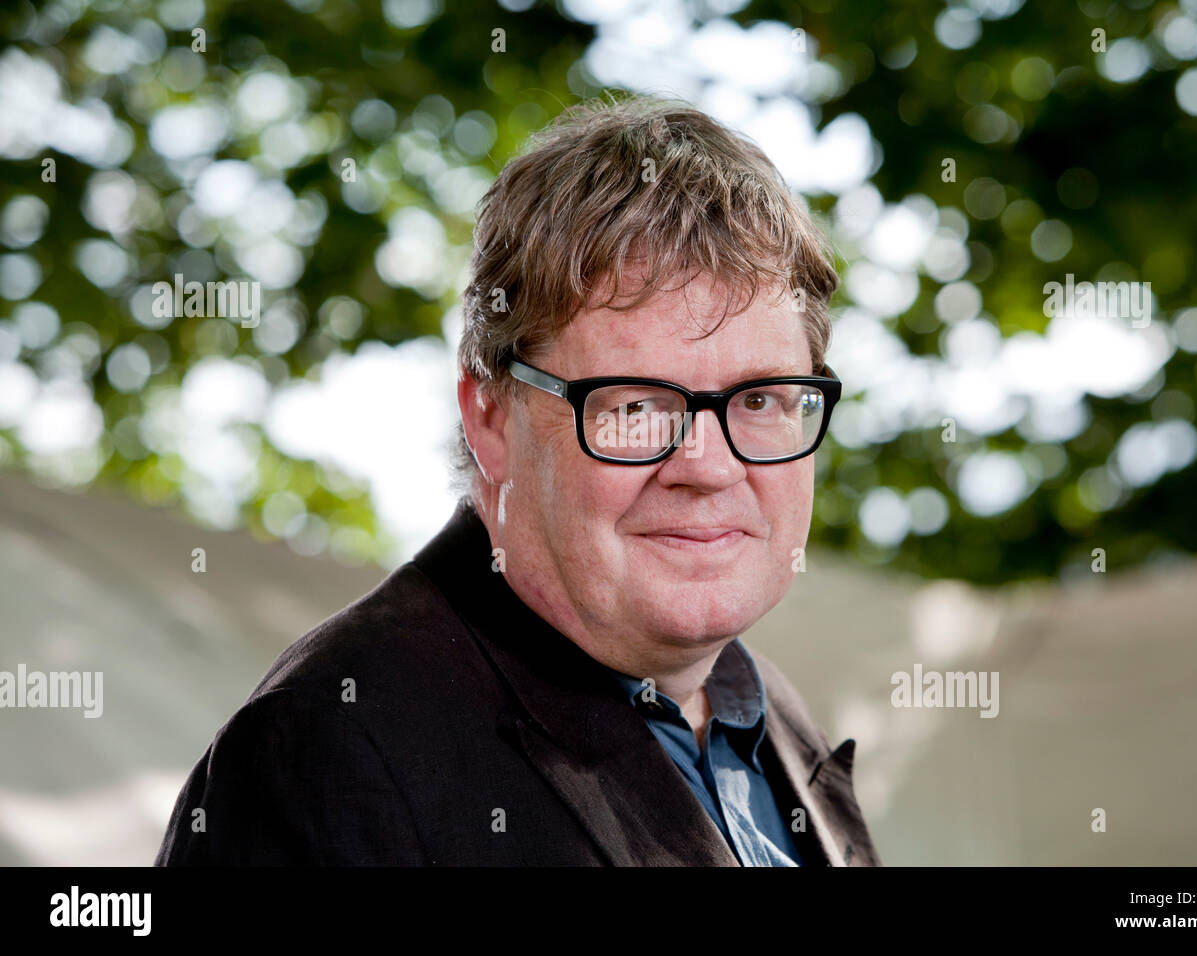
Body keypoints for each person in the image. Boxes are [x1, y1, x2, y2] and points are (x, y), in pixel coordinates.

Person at [155, 94, 880, 866]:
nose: (706, 465)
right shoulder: (329, 750)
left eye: (761, 399)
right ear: (491, 417)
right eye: (634, 405)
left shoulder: (763, 712)